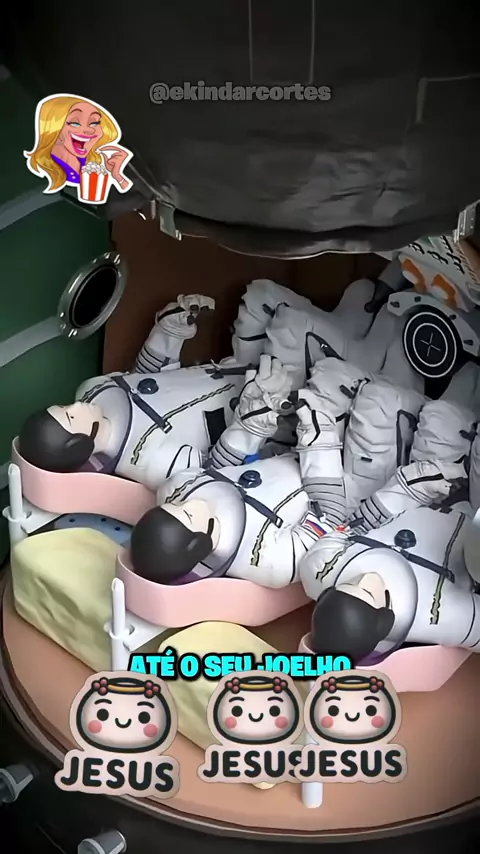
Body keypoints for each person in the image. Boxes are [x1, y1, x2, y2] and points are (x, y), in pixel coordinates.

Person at [297, 360, 480, 665]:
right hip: (471, 514)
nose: (364, 578)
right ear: (384, 619)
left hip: (419, 490)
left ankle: (467, 368)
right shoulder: (439, 615)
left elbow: (347, 527)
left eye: (349, 584)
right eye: (367, 591)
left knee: (443, 417)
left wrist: (407, 488)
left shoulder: (319, 570)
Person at [129, 356, 354, 588]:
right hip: (341, 477)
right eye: (187, 514)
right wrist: (321, 444)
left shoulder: (176, 489)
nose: (187, 501)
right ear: (198, 544)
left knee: (289, 368)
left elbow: (216, 470)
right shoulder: (268, 560)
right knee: (346, 390)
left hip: (281, 444)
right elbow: (329, 521)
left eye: (174, 505)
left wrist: (250, 426)